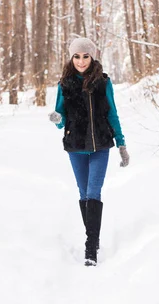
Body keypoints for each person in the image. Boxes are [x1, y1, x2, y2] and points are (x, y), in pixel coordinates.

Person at [48, 37, 130, 267]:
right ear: (71, 58)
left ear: (92, 57)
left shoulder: (103, 83)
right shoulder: (64, 84)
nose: (81, 61)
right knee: (83, 193)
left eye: (85, 56)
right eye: (77, 56)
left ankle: (90, 246)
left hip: (100, 146)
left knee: (94, 191)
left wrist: (121, 145)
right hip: (75, 147)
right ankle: (93, 237)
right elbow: (60, 117)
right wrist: (57, 119)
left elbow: (112, 114)